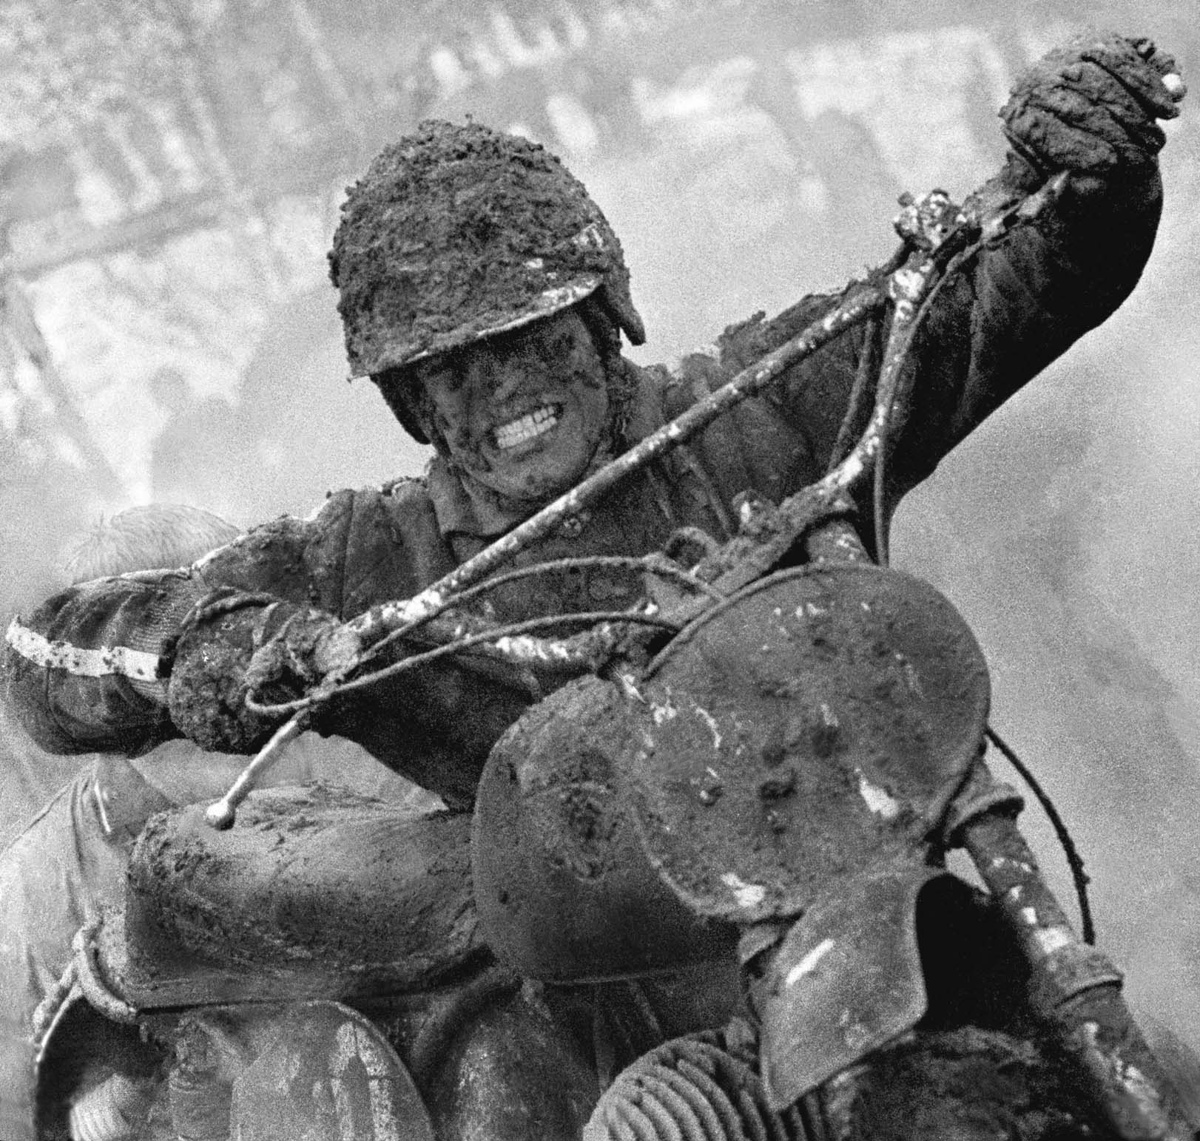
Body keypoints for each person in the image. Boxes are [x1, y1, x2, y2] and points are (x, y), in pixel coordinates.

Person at [1, 31, 1187, 1135]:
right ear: (413, 401)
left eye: (534, 336)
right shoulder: (376, 562)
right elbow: (49, 652)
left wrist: (1094, 172)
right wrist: (211, 647)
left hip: (865, 919)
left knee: (1141, 1060)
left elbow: (977, 303)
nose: (506, 386)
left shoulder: (753, 416)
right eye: (455, 367)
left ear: (603, 316)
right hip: (593, 1008)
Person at [0, 505, 434, 1141]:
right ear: (103, 694)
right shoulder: (33, 892)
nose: (234, 672)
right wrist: (106, 1105)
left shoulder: (365, 751)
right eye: (192, 652)